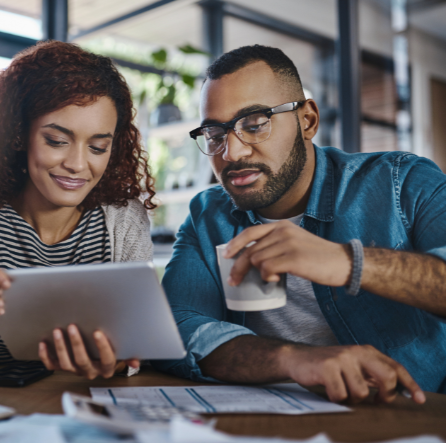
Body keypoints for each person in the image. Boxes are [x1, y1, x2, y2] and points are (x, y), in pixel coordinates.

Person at [153, 44, 446, 403]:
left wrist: (346, 262)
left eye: (255, 124)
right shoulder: (207, 215)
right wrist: (294, 360)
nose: (233, 152)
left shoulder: (403, 182)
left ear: (307, 120)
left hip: (407, 414)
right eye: (215, 134)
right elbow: (175, 328)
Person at [0, 41, 156, 380]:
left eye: (98, 147)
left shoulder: (125, 220)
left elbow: (136, 344)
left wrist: (120, 359)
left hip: (83, 410)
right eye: (56, 141)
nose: (78, 164)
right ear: (19, 134)